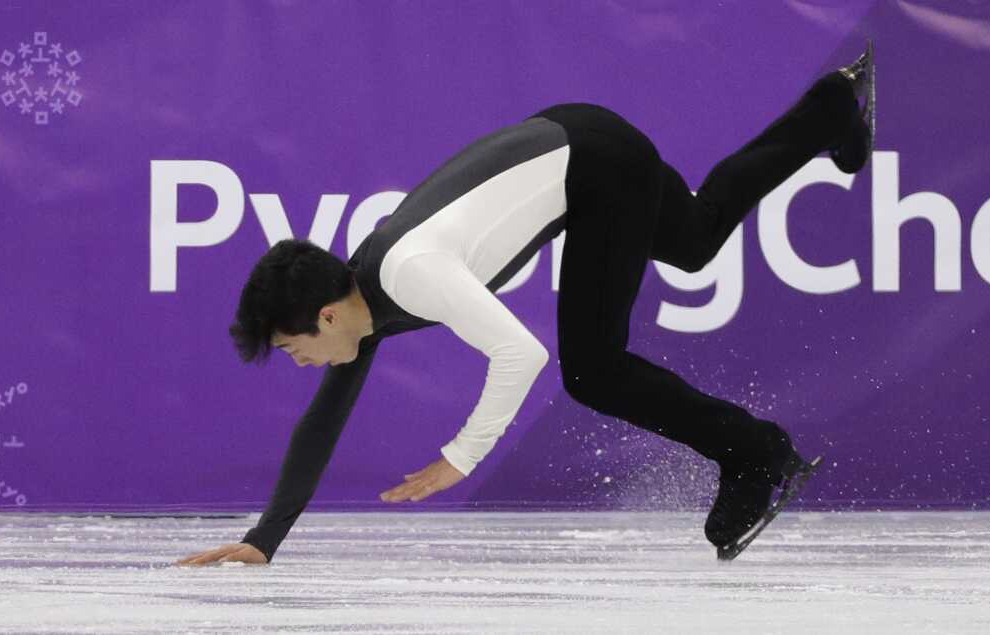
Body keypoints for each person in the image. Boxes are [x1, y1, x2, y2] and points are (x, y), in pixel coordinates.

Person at [175, 41, 874, 566]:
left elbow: (521, 353)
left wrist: (461, 455)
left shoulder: (409, 272)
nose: (306, 366)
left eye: (297, 350)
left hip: (597, 166)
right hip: (582, 140)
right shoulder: (361, 298)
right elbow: (321, 422)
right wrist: (263, 538)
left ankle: (758, 453)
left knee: (591, 369)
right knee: (693, 240)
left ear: (324, 316)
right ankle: (833, 107)